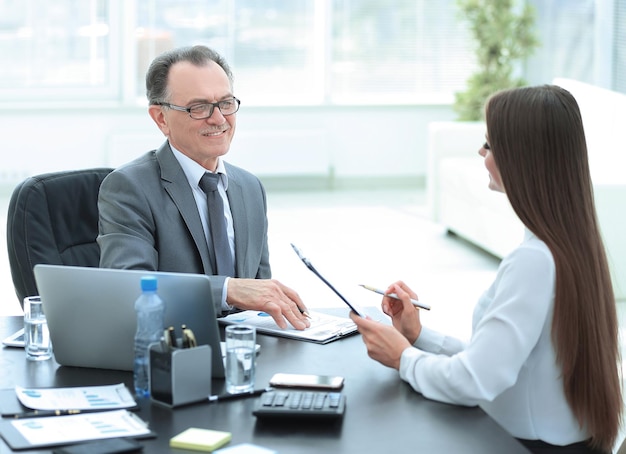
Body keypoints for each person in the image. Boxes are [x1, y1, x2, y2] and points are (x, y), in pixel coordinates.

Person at [350, 85, 622, 454]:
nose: (481, 152)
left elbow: (476, 380)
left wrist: (403, 358)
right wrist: (419, 337)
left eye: (490, 144)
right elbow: (504, 361)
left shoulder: (534, 260)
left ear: (522, 157)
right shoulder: (569, 244)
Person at [98, 45, 310, 331]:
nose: (219, 119)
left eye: (225, 103)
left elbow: (258, 293)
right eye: (198, 108)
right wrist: (226, 290)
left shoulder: (250, 188)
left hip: (244, 351)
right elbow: (126, 289)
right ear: (161, 118)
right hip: (174, 351)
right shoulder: (129, 187)